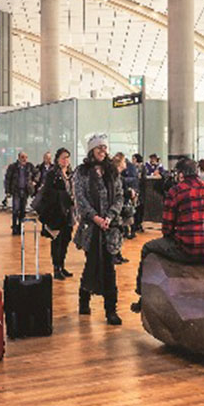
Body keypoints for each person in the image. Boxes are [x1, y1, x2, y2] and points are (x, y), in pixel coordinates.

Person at [130, 158, 204, 314]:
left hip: (188, 250)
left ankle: (142, 295)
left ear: (180, 174)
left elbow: (167, 228)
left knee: (147, 248)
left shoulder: (176, 191)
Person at [74, 134, 123, 325]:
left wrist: (109, 216)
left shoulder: (112, 172)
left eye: (105, 148)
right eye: (98, 148)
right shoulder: (82, 172)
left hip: (110, 229)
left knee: (109, 268)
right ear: (91, 151)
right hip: (91, 229)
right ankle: (84, 299)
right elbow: (80, 199)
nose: (102, 152)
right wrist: (96, 218)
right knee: (92, 264)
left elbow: (119, 196)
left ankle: (111, 310)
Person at [38, 147, 75, 279]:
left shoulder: (70, 174)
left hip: (69, 213)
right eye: (63, 157)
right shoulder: (52, 174)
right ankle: (56, 268)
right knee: (57, 241)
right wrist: (63, 196)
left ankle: (62, 265)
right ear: (58, 159)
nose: (66, 160)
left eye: (67, 157)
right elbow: (47, 193)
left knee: (66, 240)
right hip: (57, 213)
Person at [4, 151, 35, 235]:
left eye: (26, 157)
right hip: (16, 191)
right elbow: (7, 179)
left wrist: (34, 181)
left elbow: (37, 173)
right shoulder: (12, 167)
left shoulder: (29, 166)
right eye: (22, 157)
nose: (24, 159)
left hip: (25, 191)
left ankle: (21, 227)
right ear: (18, 158)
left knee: (22, 210)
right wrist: (7, 191)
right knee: (15, 210)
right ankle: (14, 227)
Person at [130, 153, 146, 233]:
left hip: (137, 191)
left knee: (137, 208)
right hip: (140, 191)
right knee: (139, 208)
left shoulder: (137, 168)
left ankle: (136, 225)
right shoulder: (143, 167)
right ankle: (138, 224)